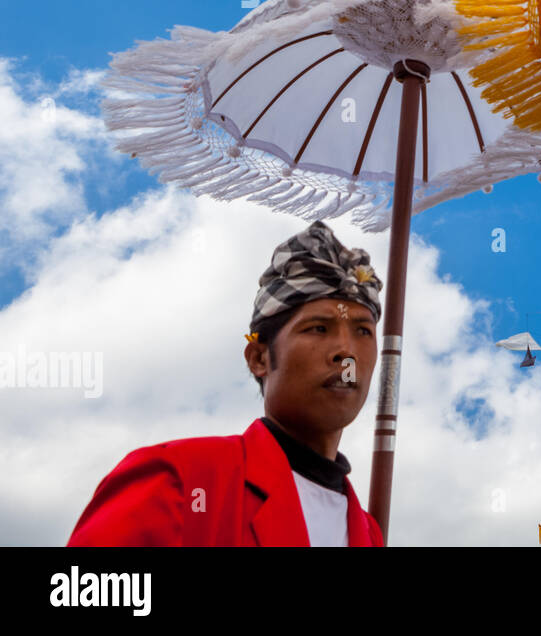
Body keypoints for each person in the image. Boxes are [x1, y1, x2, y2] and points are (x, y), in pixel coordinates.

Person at [67, 220, 386, 546]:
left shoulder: (369, 533)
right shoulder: (183, 482)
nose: (346, 353)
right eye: (318, 328)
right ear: (259, 358)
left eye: (363, 331)